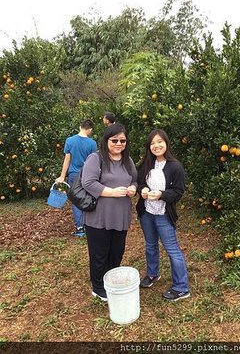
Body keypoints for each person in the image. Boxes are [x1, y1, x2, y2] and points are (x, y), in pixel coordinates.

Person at [81, 123, 137, 301]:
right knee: (99, 253)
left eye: (123, 140)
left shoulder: (128, 161)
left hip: (120, 216)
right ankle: (98, 287)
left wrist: (133, 189)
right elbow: (88, 182)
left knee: (117, 251)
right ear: (106, 141)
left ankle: (110, 279)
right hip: (99, 216)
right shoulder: (96, 158)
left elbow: (135, 180)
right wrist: (111, 192)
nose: (119, 143)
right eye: (114, 140)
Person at [136, 129, 190, 301]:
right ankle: (152, 274)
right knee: (150, 245)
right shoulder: (146, 164)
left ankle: (181, 287)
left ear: (166, 143)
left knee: (172, 250)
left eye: (159, 142)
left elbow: (178, 191)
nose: (156, 145)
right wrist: (142, 189)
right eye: (152, 143)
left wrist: (161, 194)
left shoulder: (175, 166)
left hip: (163, 214)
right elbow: (139, 182)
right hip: (147, 212)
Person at [56, 119, 97, 237]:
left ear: (80, 127)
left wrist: (62, 176)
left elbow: (67, 160)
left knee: (76, 200)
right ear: (90, 129)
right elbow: (93, 161)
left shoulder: (70, 141)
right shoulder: (92, 143)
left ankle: (80, 228)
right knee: (88, 198)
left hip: (74, 175)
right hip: (87, 174)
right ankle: (88, 225)